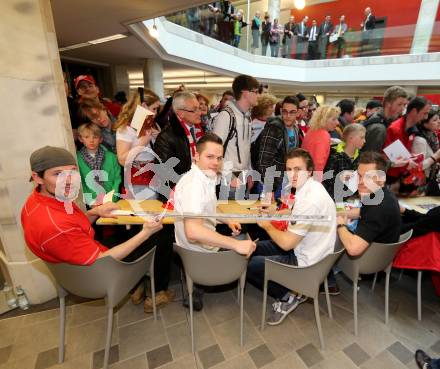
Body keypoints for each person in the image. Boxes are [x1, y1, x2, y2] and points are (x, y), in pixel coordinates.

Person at [21, 146, 174, 312]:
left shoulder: (37, 202)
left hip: (74, 268)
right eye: (57, 174)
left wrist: (96, 212)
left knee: (126, 232)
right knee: (161, 236)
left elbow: (73, 228)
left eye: (72, 171)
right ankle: (155, 292)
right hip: (96, 276)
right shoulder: (54, 225)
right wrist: (146, 233)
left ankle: (138, 287)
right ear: (37, 177)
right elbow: (101, 259)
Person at [247, 148, 336, 325]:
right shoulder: (313, 187)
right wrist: (277, 211)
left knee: (249, 264)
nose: (292, 174)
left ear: (309, 170)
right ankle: (291, 289)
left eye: (298, 169)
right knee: (253, 248)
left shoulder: (310, 200)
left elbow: (287, 243)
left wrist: (267, 225)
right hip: (309, 250)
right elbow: (297, 210)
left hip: (306, 262)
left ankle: (289, 295)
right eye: (289, 169)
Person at [174, 133, 257, 309]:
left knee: (246, 241)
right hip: (198, 255)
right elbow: (193, 231)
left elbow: (208, 207)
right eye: (210, 157)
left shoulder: (206, 176)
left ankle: (197, 286)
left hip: (201, 247)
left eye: (219, 158)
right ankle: (198, 284)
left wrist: (226, 220)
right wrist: (235, 245)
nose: (215, 162)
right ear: (196, 156)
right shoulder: (193, 185)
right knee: (251, 248)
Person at [337, 151, 401, 256]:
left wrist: (340, 225)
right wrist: (339, 213)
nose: (360, 182)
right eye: (359, 176)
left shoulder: (378, 207)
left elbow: (353, 249)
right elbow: (363, 211)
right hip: (378, 254)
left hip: (368, 260)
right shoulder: (383, 194)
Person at [213, 74, 259, 199]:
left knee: (239, 215)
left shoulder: (247, 117)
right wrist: (228, 176)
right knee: (229, 217)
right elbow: (214, 150)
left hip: (242, 176)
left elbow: (246, 148)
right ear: (245, 93)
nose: (258, 95)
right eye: (255, 92)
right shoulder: (226, 116)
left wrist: (249, 172)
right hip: (227, 179)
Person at [114, 89, 161, 199]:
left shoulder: (153, 125)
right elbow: (122, 160)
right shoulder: (125, 129)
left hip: (155, 177)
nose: (156, 113)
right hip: (137, 182)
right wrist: (141, 144)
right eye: (154, 109)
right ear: (144, 106)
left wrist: (160, 138)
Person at [154, 91, 204, 194]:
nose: (200, 112)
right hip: (178, 194)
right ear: (180, 113)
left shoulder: (198, 130)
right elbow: (162, 174)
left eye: (199, 108)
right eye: (194, 110)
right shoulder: (167, 137)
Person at [254, 96, 302, 196]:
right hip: (271, 183)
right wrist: (269, 187)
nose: (288, 115)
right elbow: (264, 161)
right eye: (285, 111)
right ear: (280, 111)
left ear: (298, 113)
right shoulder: (274, 128)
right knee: (267, 211)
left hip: (285, 182)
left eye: (292, 112)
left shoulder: (296, 129)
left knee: (283, 211)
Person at [384, 96, 431, 193]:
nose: (426, 117)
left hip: (400, 179)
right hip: (388, 179)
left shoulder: (412, 129)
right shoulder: (395, 129)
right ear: (414, 111)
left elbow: (403, 156)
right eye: (424, 113)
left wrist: (412, 158)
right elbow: (388, 157)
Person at [76, 123, 121, 205]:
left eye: (95, 137)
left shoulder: (111, 157)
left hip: (111, 200)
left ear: (100, 139)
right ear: (80, 139)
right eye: (86, 137)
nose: (91, 140)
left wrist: (112, 198)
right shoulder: (77, 159)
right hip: (92, 203)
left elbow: (117, 179)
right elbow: (80, 183)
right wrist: (91, 202)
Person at [323, 123, 366, 201]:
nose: (364, 141)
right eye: (362, 137)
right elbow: (326, 179)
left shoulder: (362, 157)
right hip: (335, 199)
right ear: (351, 138)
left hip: (355, 199)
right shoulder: (334, 156)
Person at [363, 86, 409, 152]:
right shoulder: (379, 128)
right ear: (388, 104)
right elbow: (370, 158)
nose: (403, 108)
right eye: (399, 104)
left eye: (404, 105)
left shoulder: (386, 122)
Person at [301, 105, 340, 179]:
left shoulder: (312, 130)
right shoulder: (324, 134)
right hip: (312, 178)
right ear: (324, 120)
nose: (337, 122)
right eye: (334, 119)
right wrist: (317, 184)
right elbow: (318, 163)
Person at [412, 110, 440, 195]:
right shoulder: (420, 140)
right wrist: (435, 156)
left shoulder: (432, 136)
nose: (439, 121)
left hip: (431, 180)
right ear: (424, 123)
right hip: (420, 184)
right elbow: (418, 166)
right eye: (435, 120)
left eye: (439, 119)